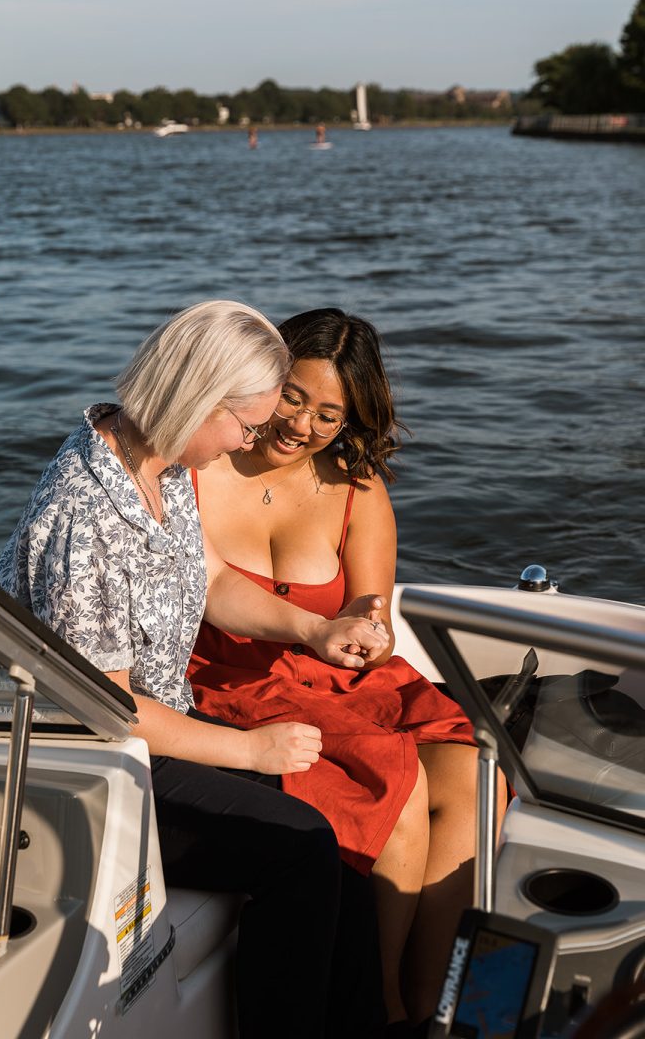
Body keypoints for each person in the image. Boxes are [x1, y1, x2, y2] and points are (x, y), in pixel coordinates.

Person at [0, 301, 386, 1039]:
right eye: (246, 423)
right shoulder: (87, 515)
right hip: (91, 769)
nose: (252, 440)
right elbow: (106, 709)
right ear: (199, 399)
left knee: (344, 855)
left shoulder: (159, 462)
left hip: (150, 739)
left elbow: (210, 581)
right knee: (301, 853)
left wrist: (315, 628)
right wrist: (249, 749)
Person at [188, 307, 503, 1030]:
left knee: (472, 770)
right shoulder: (202, 465)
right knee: (398, 775)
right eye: (293, 398)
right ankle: (378, 1007)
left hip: (336, 671)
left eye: (328, 414)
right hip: (232, 681)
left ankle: (433, 1004)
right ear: (264, 380)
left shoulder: (355, 484)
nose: (301, 425)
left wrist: (369, 627)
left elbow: (372, 602)